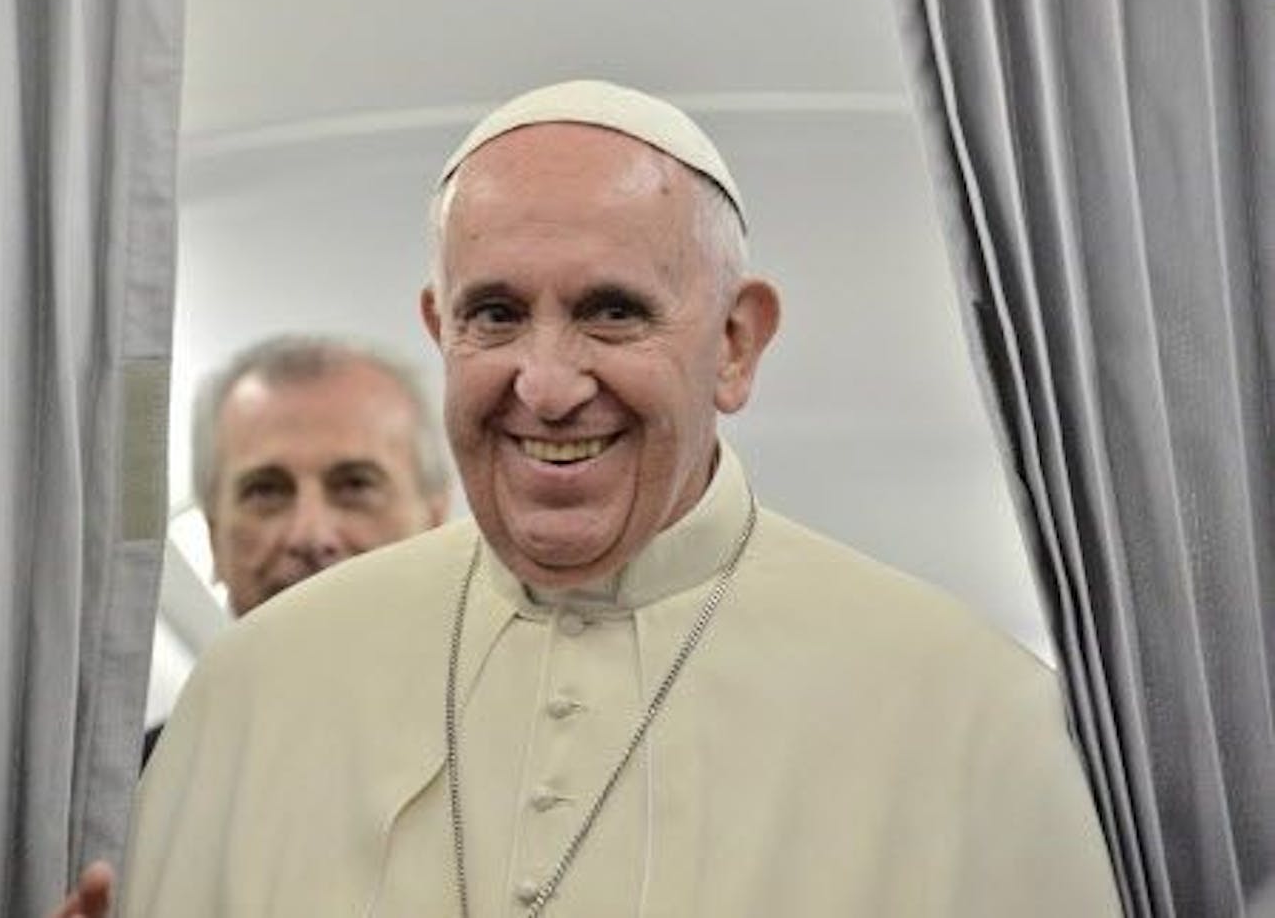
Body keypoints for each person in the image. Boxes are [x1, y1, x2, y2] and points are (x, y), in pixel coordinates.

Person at [69, 80, 1122, 916]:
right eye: (494, 314)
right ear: (440, 327)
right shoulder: (255, 688)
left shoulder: (964, 711)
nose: (545, 382)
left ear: (734, 344)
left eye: (611, 313)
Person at [144, 334, 451, 759]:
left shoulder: (530, 759)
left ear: (435, 522)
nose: (310, 535)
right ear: (215, 538)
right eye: (266, 491)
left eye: (355, 485)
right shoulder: (139, 790)